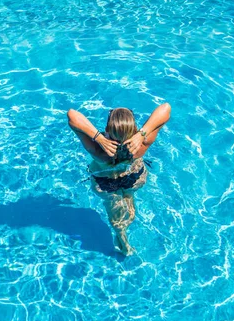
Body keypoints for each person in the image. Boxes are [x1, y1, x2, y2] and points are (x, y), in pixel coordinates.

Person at [67, 104, 171, 255]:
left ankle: (123, 242)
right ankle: (127, 211)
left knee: (115, 211)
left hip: (106, 184)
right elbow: (166, 108)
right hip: (134, 177)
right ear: (134, 130)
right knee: (129, 196)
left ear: (107, 129)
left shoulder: (97, 150)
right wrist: (141, 134)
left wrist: (99, 138)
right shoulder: (142, 144)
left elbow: (72, 115)